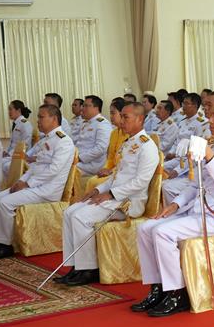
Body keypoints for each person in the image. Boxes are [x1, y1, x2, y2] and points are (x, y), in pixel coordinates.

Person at [132, 93, 214, 316]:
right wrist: (176, 205)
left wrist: (209, 157)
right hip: (196, 210)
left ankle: (177, 293)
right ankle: (158, 288)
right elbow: (194, 184)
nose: (210, 120)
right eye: (210, 116)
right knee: (145, 228)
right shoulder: (213, 144)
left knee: (162, 232)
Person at [57, 102, 159, 286]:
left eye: (126, 117)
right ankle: (75, 265)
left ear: (140, 119)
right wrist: (97, 190)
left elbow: (141, 182)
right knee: (70, 212)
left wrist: (111, 194)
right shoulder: (128, 143)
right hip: (114, 196)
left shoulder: (147, 146)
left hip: (129, 202)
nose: (121, 121)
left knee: (81, 217)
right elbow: (116, 175)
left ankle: (89, 269)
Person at [0, 105, 74, 260]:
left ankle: (5, 246)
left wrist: (27, 184)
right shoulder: (46, 139)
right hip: (34, 184)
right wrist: (20, 181)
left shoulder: (64, 141)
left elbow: (53, 170)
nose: (38, 121)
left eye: (41, 117)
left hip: (47, 190)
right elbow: (35, 167)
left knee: (5, 203)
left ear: (54, 119)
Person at [84, 98, 129, 192]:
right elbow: (111, 158)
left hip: (123, 172)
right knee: (92, 181)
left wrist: (111, 171)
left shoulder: (129, 134)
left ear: (122, 114)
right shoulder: (114, 133)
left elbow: (127, 161)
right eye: (110, 113)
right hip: (112, 169)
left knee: (95, 183)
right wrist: (105, 168)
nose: (111, 116)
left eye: (113, 113)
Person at [75, 95, 112, 176]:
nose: (82, 108)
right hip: (80, 160)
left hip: (91, 164)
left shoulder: (102, 124)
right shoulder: (85, 122)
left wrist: (80, 158)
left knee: (64, 169)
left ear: (96, 108)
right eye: (83, 106)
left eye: (86, 106)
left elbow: (101, 148)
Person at [2, 100, 33, 175]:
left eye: (10, 109)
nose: (9, 112)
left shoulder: (25, 124)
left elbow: (25, 144)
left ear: (18, 110)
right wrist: (7, 152)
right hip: (13, 154)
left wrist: (10, 154)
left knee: (0, 165)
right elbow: (12, 142)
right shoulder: (16, 123)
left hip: (20, 155)